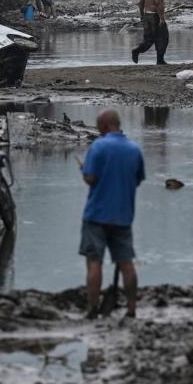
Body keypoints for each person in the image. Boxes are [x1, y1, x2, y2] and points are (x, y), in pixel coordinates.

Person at [79, 109, 145, 319]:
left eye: (99, 129)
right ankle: (132, 308)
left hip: (96, 214)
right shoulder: (134, 150)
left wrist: (83, 171)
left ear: (106, 126)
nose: (98, 133)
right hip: (123, 216)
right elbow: (137, 179)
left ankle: (92, 308)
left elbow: (90, 178)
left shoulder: (98, 147)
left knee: (94, 261)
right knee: (126, 263)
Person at [131, 0, 168, 65]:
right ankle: (160, 60)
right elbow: (158, 4)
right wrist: (161, 19)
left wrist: (142, 17)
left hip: (147, 15)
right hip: (155, 16)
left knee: (148, 39)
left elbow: (141, 4)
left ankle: (137, 50)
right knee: (163, 38)